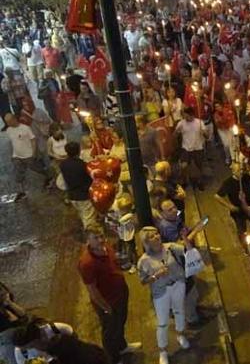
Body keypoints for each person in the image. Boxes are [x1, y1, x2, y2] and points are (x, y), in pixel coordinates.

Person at [77, 224, 141, 364]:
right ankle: (113, 359)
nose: (100, 240)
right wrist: (105, 308)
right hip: (108, 302)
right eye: (96, 238)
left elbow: (115, 264)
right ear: (88, 240)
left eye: (101, 236)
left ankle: (122, 346)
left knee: (120, 323)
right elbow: (92, 290)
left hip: (120, 293)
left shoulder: (106, 247)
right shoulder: (86, 263)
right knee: (110, 332)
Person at [137, 226, 192, 364]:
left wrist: (185, 237)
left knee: (179, 311)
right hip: (161, 291)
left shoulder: (171, 247)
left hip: (178, 284)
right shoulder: (144, 260)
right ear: (146, 242)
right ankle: (163, 350)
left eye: (156, 233)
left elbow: (188, 250)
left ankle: (180, 335)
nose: (157, 236)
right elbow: (143, 281)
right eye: (151, 236)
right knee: (162, 323)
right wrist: (156, 276)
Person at [5, 112, 52, 199]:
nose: (7, 124)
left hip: (28, 155)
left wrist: (33, 153)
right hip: (17, 156)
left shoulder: (25, 128)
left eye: (9, 121)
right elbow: (13, 142)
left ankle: (48, 176)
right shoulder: (9, 130)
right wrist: (13, 155)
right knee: (18, 173)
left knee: (37, 168)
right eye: (6, 122)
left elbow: (33, 140)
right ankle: (21, 191)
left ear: (14, 119)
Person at [59, 141, 98, 227]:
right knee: (89, 219)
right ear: (79, 151)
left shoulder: (63, 164)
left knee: (82, 214)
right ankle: (91, 237)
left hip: (72, 196)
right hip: (84, 196)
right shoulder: (83, 165)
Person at [175, 107, 208, 190]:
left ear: (191, 115)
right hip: (186, 148)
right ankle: (184, 181)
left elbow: (207, 136)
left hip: (198, 147)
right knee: (183, 166)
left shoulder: (199, 122)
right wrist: (176, 132)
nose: (185, 117)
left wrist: (204, 133)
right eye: (184, 116)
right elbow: (175, 135)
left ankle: (200, 182)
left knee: (199, 166)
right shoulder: (181, 123)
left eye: (186, 115)